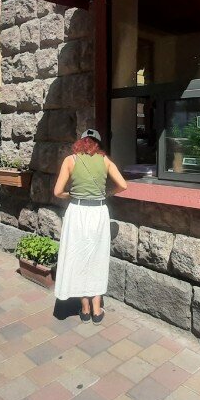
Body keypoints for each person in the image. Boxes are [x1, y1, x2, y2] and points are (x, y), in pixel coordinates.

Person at [52, 128, 129, 324]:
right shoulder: (105, 161)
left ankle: (84, 308)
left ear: (81, 142)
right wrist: (108, 193)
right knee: (97, 258)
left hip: (77, 211)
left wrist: (71, 195)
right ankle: (96, 308)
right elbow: (123, 185)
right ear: (97, 145)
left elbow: (58, 191)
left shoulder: (70, 160)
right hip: (98, 212)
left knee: (78, 257)